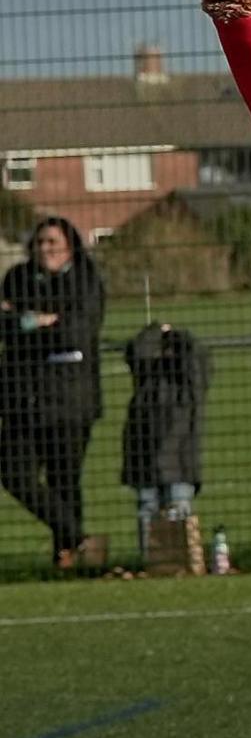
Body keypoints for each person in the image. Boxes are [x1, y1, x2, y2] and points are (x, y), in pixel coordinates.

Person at [1, 215, 106, 572]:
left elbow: (76, 333)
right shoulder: (16, 278)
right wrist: (38, 321)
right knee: (15, 475)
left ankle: (67, 557)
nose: (45, 249)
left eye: (52, 242)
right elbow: (5, 326)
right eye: (40, 242)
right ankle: (77, 537)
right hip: (21, 399)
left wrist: (26, 322)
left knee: (65, 480)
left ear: (70, 246)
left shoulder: (86, 281)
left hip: (69, 401)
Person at [120, 319, 209, 571]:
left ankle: (172, 561)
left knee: (174, 507)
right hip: (159, 458)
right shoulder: (148, 381)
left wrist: (173, 334)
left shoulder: (189, 385)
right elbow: (138, 351)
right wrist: (157, 330)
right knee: (152, 508)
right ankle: (157, 563)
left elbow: (193, 356)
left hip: (175, 458)